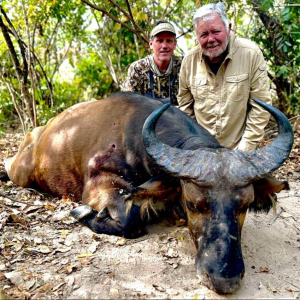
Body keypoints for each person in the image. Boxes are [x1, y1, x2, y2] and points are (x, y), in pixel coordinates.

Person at [177, 2, 272, 151]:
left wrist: (243, 152)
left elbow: (261, 108)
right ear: (197, 36)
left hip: (240, 150)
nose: (210, 39)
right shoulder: (189, 61)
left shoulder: (251, 54)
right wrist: (197, 149)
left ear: (228, 28)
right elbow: (185, 111)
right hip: (201, 152)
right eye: (204, 34)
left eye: (215, 31)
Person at [124, 21, 182, 105]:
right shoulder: (137, 69)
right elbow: (130, 106)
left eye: (169, 41)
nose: (164, 46)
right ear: (151, 44)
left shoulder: (184, 66)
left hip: (179, 116)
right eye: (160, 41)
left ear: (175, 44)